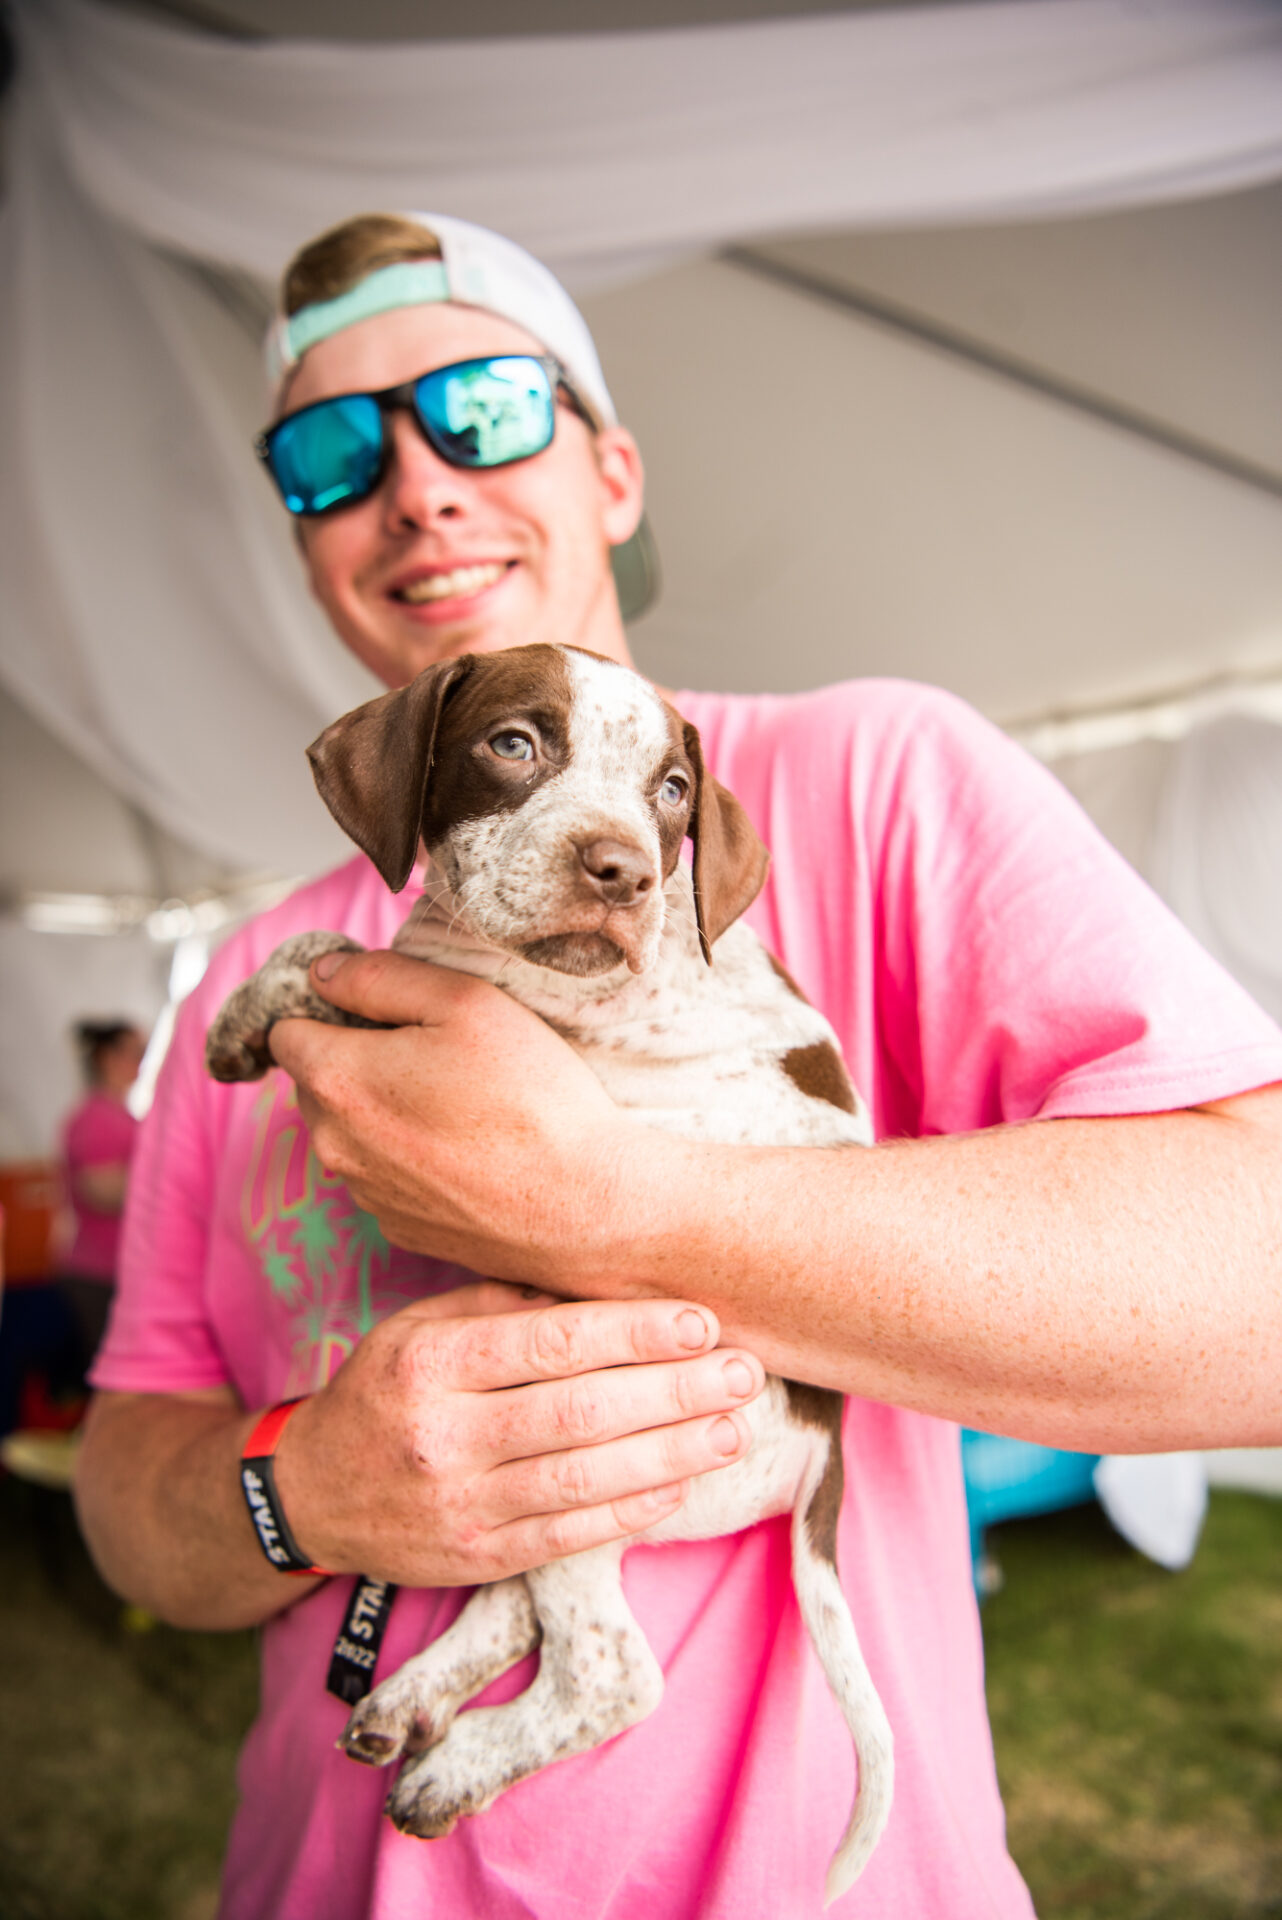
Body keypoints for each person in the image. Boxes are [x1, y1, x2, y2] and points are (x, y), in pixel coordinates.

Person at [74, 212, 1282, 1920]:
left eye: (485, 409)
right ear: (301, 529)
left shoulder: (871, 784)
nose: (415, 488)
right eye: (333, 453)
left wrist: (603, 1201)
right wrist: (306, 1488)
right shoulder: (253, 981)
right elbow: (130, 1495)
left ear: (615, 470)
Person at [59, 1019, 145, 1380]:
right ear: (107, 1058)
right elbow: (100, 1189)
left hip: (116, 1268)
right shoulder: (96, 1116)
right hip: (98, 1272)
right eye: (134, 1052)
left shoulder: (120, 1114)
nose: (140, 1060)